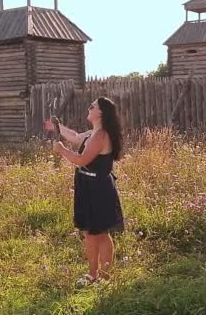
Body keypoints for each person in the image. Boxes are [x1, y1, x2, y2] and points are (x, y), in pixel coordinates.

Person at [45, 97, 125, 286]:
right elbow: (75, 136)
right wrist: (56, 126)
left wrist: (62, 151)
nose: (88, 108)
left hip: (98, 189)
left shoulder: (101, 136)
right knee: (90, 233)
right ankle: (93, 275)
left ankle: (104, 278)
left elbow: (82, 160)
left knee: (101, 234)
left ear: (101, 113)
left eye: (92, 107)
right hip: (88, 186)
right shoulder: (93, 133)